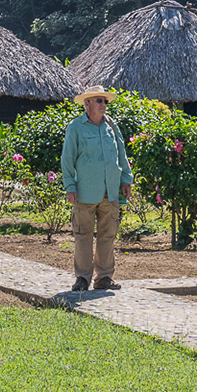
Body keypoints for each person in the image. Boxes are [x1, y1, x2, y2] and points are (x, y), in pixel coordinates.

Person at [60, 85, 132, 292]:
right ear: (87, 103)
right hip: (84, 191)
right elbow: (67, 159)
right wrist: (70, 186)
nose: (103, 105)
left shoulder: (111, 125)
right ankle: (82, 278)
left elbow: (121, 153)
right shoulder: (75, 127)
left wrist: (126, 180)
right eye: (99, 101)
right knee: (83, 235)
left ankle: (104, 278)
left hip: (110, 190)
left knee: (108, 235)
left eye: (105, 101)